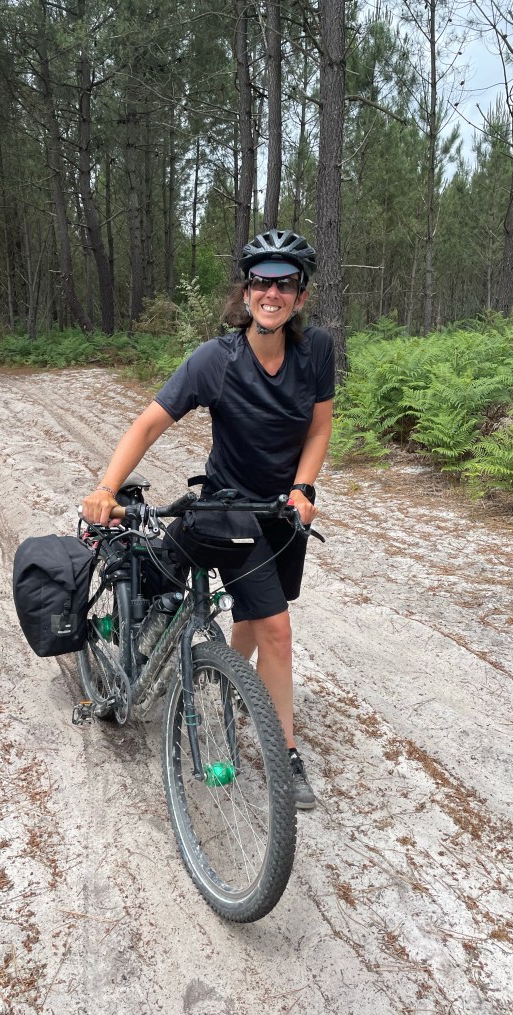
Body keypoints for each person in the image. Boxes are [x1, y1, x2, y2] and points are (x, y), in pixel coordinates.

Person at [81, 228, 335, 809]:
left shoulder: (316, 352)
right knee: (274, 628)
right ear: (246, 292)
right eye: (261, 282)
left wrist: (302, 487)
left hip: (281, 513)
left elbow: (319, 428)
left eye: (285, 284)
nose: (272, 293)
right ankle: (285, 752)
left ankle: (227, 680)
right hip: (227, 510)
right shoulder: (216, 360)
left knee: (260, 615)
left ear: (300, 296)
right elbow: (149, 423)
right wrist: (105, 488)